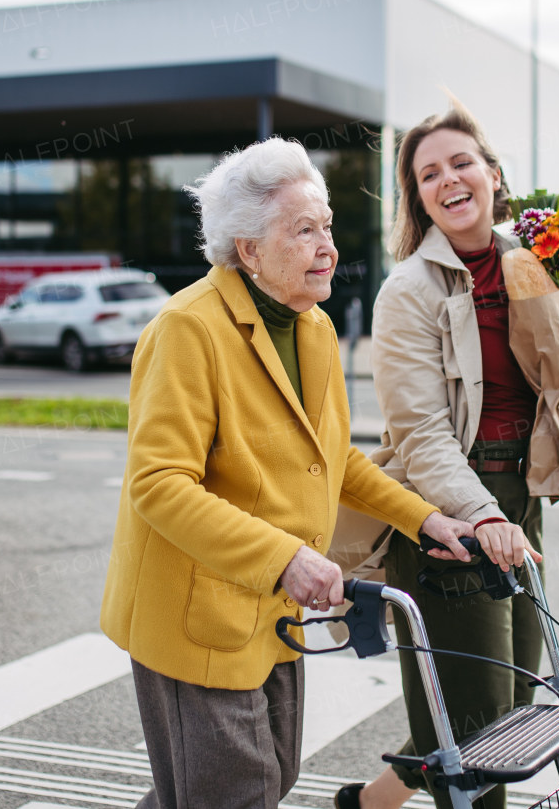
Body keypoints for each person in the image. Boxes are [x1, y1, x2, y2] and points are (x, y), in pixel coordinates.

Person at [99, 137, 483, 809]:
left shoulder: (314, 330)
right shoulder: (187, 329)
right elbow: (158, 485)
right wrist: (285, 558)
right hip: (198, 615)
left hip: (271, 610)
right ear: (247, 249)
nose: (327, 247)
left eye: (326, 227)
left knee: (259, 780)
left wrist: (423, 517)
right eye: (303, 230)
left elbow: (333, 460)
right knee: (234, 792)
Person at [334, 104, 559, 809]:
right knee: (480, 732)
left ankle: (365, 805)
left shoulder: (532, 264)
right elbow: (421, 434)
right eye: (428, 174)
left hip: (520, 500)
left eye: (461, 162)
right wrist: (480, 514)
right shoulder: (408, 291)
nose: (449, 179)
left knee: (507, 700)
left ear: (494, 176)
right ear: (420, 198)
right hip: (452, 513)